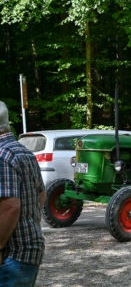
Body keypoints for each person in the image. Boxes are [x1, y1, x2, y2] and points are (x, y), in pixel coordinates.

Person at [0, 101, 46, 287]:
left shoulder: (2, 155)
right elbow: (41, 195)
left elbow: (10, 206)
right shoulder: (24, 152)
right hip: (29, 251)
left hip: (11, 255)